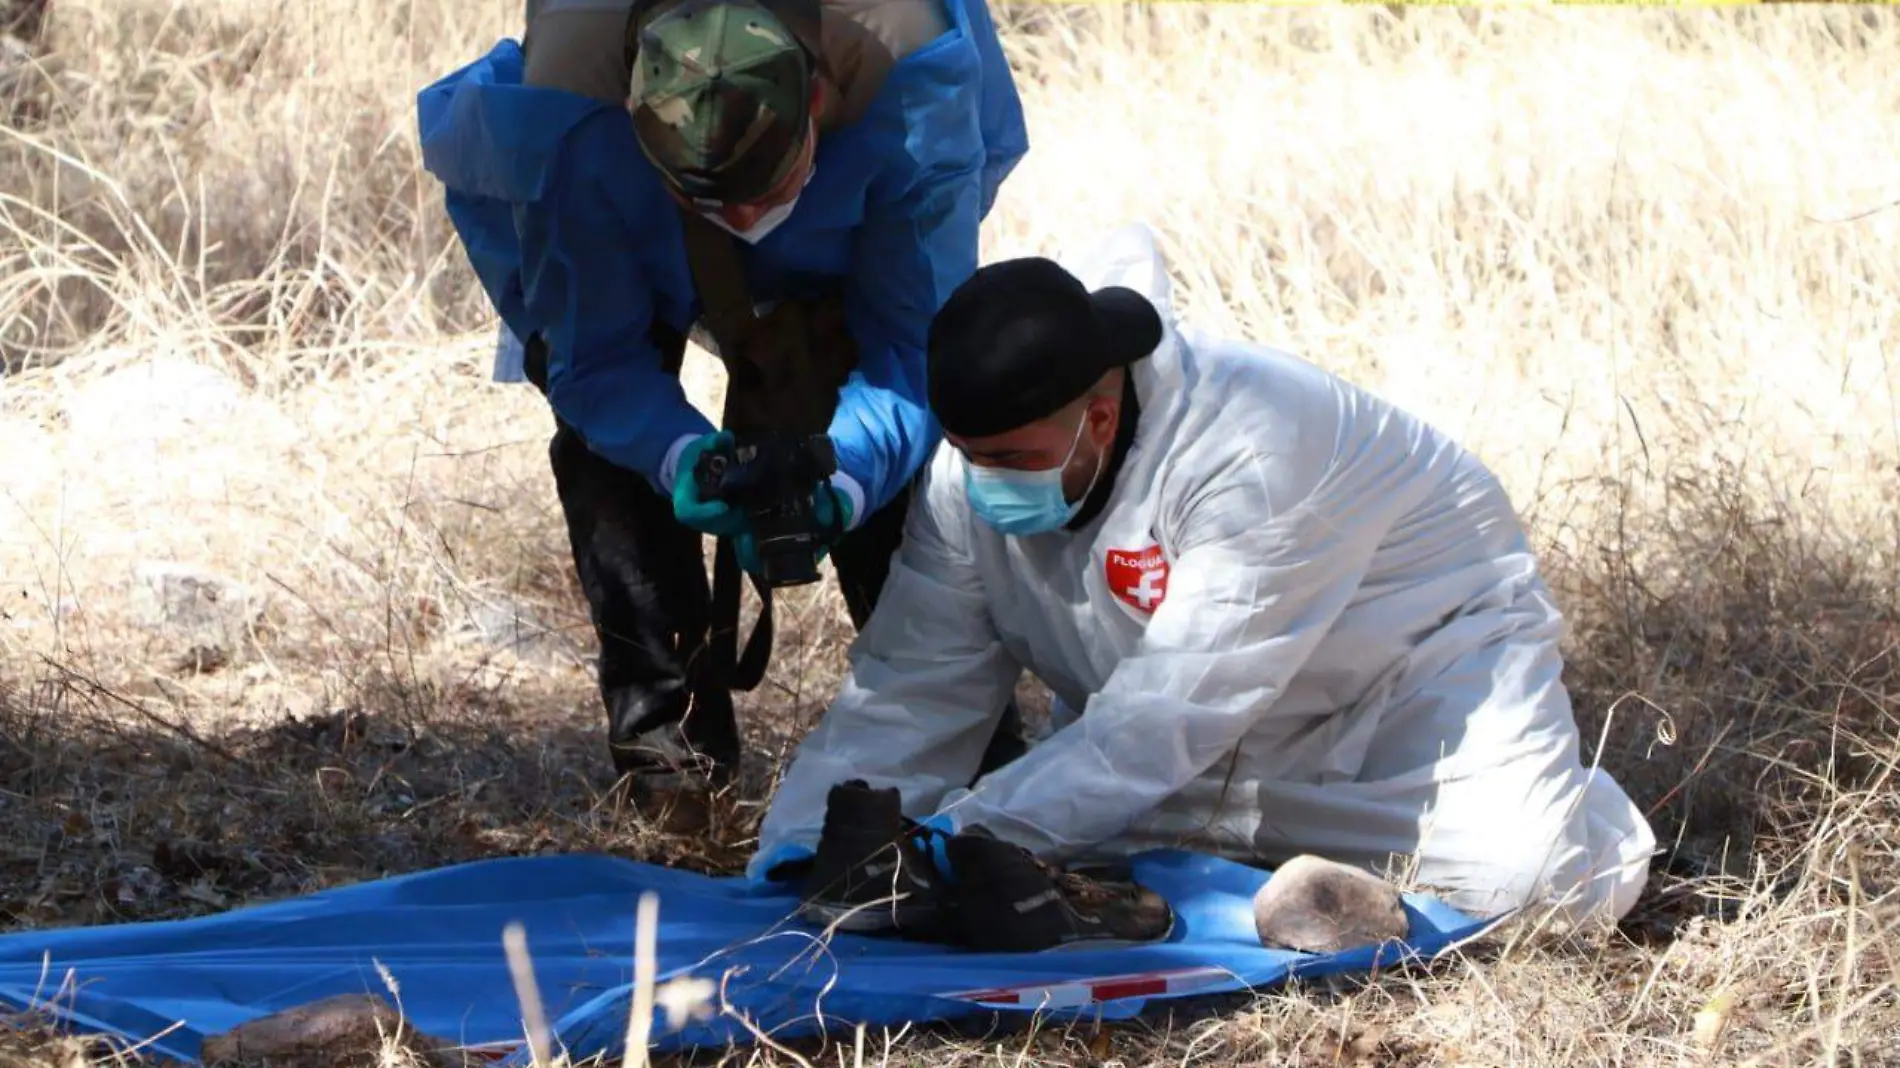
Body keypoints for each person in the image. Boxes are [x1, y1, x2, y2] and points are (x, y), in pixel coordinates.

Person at [747, 222, 1659, 944]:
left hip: (1415, 678)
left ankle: (1582, 803)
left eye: (1010, 458)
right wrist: (801, 848)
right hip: (1195, 734)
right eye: (968, 456)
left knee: (1533, 881)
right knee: (1047, 839)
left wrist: (950, 842)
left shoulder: (1251, 447)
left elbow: (1166, 714)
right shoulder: (970, 478)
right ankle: (1292, 867)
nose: (984, 481)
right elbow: (910, 681)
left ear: (1099, 417)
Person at [413, 0, 1033, 803]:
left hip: (866, 154)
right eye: (712, 201)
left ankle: (966, 753)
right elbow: (596, 357)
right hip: (613, 164)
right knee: (604, 450)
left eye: (763, 190)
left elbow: (910, 347)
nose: (745, 224)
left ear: (815, 101)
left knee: (906, 446)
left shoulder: (907, 64)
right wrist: (679, 456)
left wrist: (844, 477)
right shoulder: (575, 94)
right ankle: (672, 772)